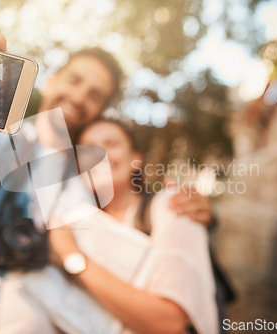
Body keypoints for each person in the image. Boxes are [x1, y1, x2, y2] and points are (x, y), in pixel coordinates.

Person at [0, 10, 216, 334]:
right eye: (75, 81)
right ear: (53, 79)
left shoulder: (89, 185)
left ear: (99, 111)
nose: (79, 97)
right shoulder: (1, 137)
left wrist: (197, 212)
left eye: (95, 95)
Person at [48, 119, 219, 334]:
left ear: (136, 159)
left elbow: (170, 322)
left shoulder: (172, 205)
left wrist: (71, 256)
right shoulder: (78, 224)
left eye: (111, 143)